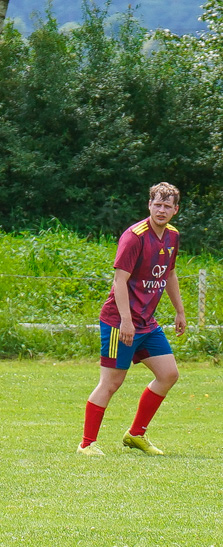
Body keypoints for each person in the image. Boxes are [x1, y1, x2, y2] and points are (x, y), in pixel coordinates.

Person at [77, 182, 186, 457]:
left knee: (168, 374)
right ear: (149, 205)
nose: (161, 210)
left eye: (167, 206)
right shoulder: (134, 236)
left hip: (147, 323)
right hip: (119, 321)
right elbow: (120, 280)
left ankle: (136, 434)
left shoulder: (172, 236)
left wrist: (180, 311)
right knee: (112, 383)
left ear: (175, 210)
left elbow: (169, 274)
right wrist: (125, 321)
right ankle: (87, 444)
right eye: (157, 204)